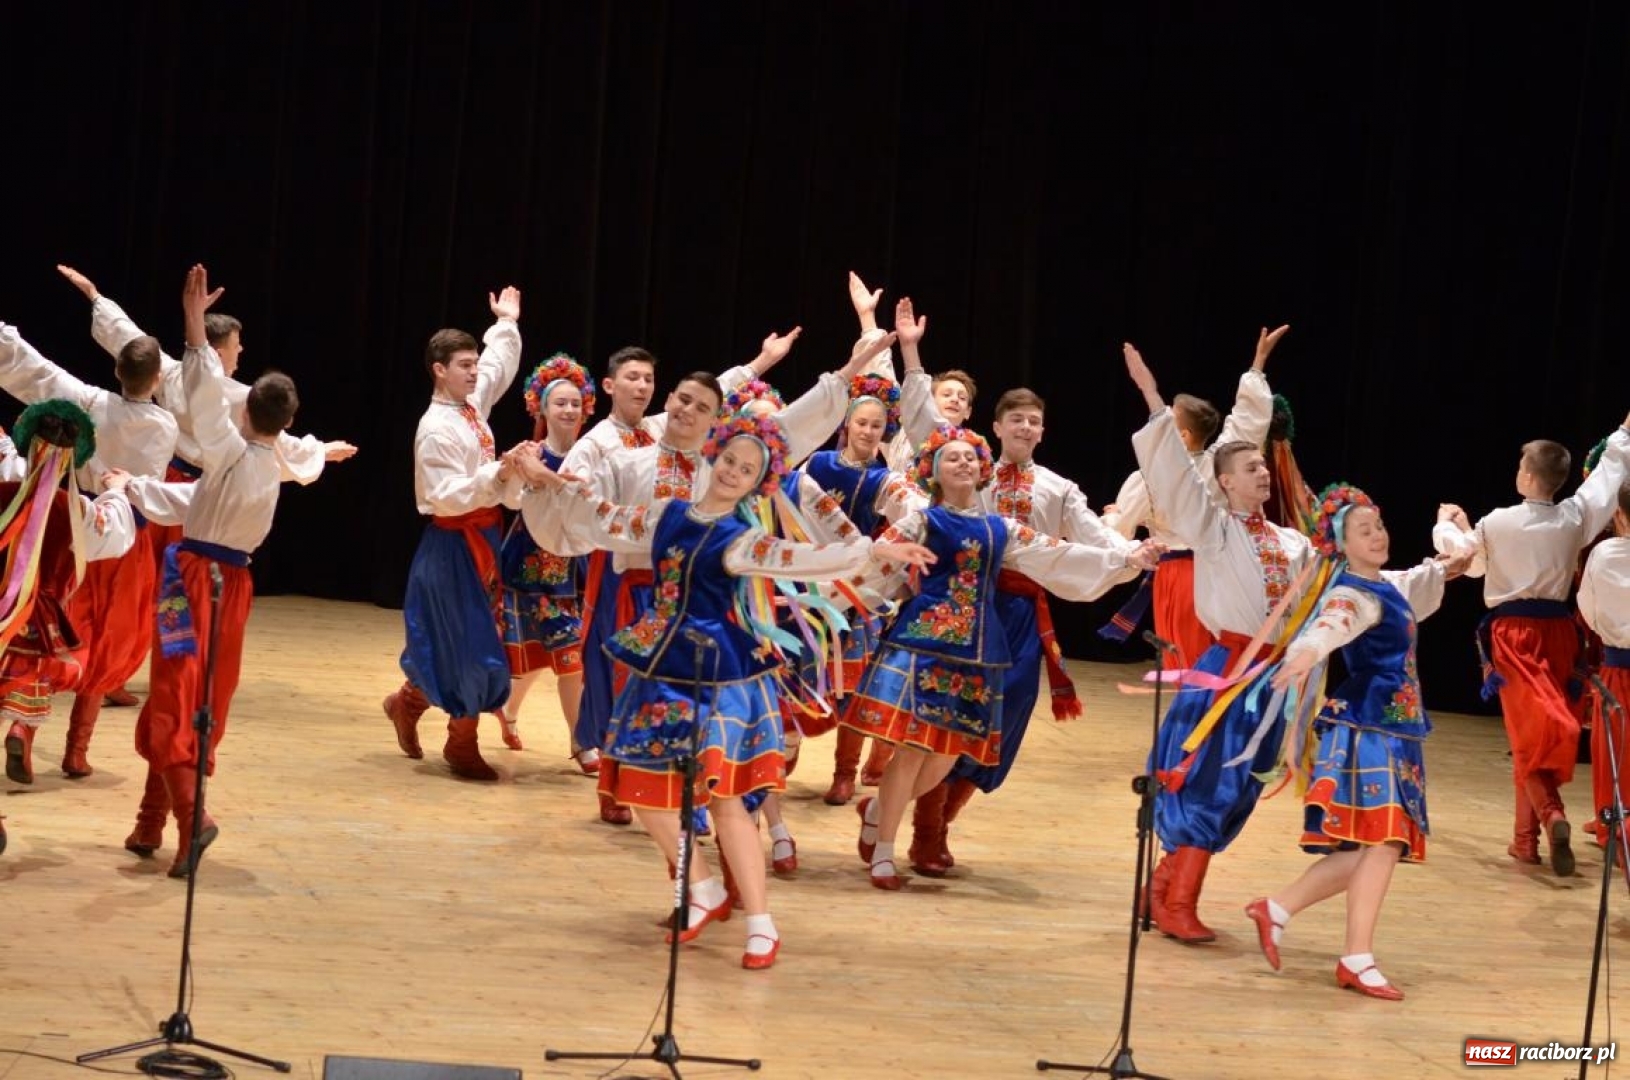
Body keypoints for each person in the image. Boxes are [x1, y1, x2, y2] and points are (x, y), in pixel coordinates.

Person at [516, 413, 935, 968]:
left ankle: (762, 923)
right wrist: (544, 478)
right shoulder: (667, 516)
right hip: (660, 664)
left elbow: (802, 560)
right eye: (731, 460)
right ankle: (704, 884)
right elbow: (601, 517)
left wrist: (871, 554)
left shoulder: (742, 541)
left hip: (718, 677)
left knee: (726, 800)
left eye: (749, 468)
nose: (735, 471)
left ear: (761, 481)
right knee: (638, 784)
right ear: (713, 457)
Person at [844, 425, 1162, 890]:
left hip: (977, 650)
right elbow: (877, 563)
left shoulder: (1001, 528)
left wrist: (1126, 560)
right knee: (914, 750)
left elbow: (1059, 555)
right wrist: (834, 604)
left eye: (971, 458)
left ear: (982, 470)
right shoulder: (922, 520)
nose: (965, 463)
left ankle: (876, 811)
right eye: (952, 458)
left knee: (946, 756)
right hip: (924, 644)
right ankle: (885, 852)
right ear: (934, 470)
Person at [1123, 341, 1319, 943]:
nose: (1263, 471)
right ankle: (1179, 901)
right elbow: (1179, 479)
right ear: (1226, 483)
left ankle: (1159, 890)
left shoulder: (1293, 543)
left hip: (1274, 679)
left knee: (1243, 791)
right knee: (1213, 782)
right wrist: (1156, 401)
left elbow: (1341, 587)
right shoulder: (1212, 528)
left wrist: (1433, 572)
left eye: (1264, 466)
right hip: (1227, 672)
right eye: (1251, 468)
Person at [908, 387, 1144, 876]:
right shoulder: (971, 474)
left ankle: (941, 819)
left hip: (1022, 614)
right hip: (968, 606)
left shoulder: (1058, 489)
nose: (1025, 428)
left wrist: (1131, 555)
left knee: (1007, 718)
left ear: (1042, 430)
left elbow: (1094, 539)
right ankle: (924, 831)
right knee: (954, 713)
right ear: (996, 427)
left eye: (1033, 421)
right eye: (1015, 419)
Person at [1245, 483, 1465, 1001]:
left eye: (1380, 526)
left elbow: (1452, 563)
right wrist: (1305, 652)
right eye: (1363, 530)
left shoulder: (1387, 584)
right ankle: (1357, 957)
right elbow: (1332, 624)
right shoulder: (1353, 592)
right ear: (1341, 543)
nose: (1377, 535)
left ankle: (1275, 909)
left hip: (1395, 728)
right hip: (1371, 728)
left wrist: (1449, 522)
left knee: (1377, 845)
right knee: (1386, 838)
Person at [121, 265, 302, 878]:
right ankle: (150, 823)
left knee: (173, 696)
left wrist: (194, 324)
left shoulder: (228, 452)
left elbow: (200, 392)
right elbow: (194, 503)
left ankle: (192, 818)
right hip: (235, 587)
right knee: (201, 702)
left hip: (192, 580)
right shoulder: (271, 469)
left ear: (245, 411)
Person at [1433, 415, 1630, 873]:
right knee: (1534, 733)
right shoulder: (1574, 519)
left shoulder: (1499, 523)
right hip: (1560, 633)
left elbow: (1465, 558)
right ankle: (1524, 842)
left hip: (1514, 634)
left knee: (1525, 738)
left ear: (1526, 475)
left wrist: (1446, 522)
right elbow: (1607, 478)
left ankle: (1549, 815)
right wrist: (1622, 436)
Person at [0, 316, 173, 778]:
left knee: (52, 628)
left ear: (117, 371)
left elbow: (37, 372)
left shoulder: (93, 402)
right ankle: (76, 752)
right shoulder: (164, 426)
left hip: (72, 531)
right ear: (157, 379)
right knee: (109, 641)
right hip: (122, 536)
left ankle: (24, 730)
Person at [382, 286, 526, 783]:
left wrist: (505, 323)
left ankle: (407, 702)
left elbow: (499, 367)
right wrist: (498, 474)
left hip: (482, 539)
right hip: (452, 545)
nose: (475, 371)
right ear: (439, 369)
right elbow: (444, 495)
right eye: (465, 364)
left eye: (474, 362)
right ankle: (461, 744)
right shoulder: (435, 428)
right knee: (469, 646)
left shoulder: (469, 407)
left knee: (468, 639)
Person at [1101, 327, 1285, 668]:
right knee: (1217, 658)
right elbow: (1248, 423)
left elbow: (1119, 532)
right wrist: (1257, 367)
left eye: (1170, 415)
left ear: (1181, 435)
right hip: (1223, 567)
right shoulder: (1220, 465)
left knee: (1188, 664)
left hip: (1181, 577)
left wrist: (1113, 516)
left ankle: (1194, 716)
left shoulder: (1152, 480)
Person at [0, 395, 137, 845]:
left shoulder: (5, 492)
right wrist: (117, 491)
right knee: (41, 669)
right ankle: (22, 730)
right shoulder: (73, 511)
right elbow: (113, 532)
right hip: (35, 621)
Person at [495, 353, 594, 767]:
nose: (569, 410)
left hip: (574, 569)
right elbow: (511, 498)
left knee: (566, 654)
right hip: (530, 568)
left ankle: (578, 741)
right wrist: (520, 471)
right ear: (542, 408)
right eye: (560, 403)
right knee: (539, 655)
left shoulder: (593, 451)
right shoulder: (529, 453)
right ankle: (515, 712)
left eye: (575, 403)